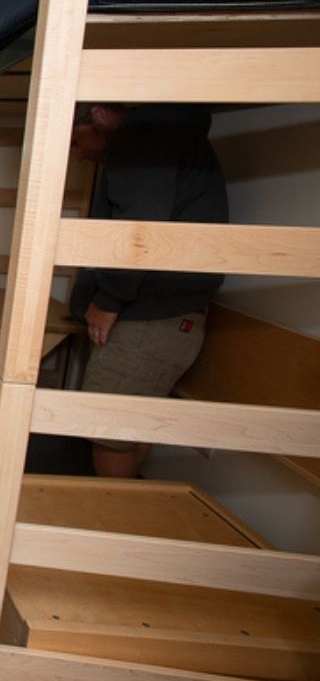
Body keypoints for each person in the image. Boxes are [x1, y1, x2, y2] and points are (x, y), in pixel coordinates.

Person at [69, 102, 228, 478]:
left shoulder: (142, 141)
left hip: (147, 320)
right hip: (171, 319)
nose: (77, 153)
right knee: (129, 430)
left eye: (77, 140)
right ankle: (125, 522)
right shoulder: (176, 136)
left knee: (105, 431)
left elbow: (139, 229)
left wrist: (108, 299)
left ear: (99, 115)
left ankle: (112, 527)